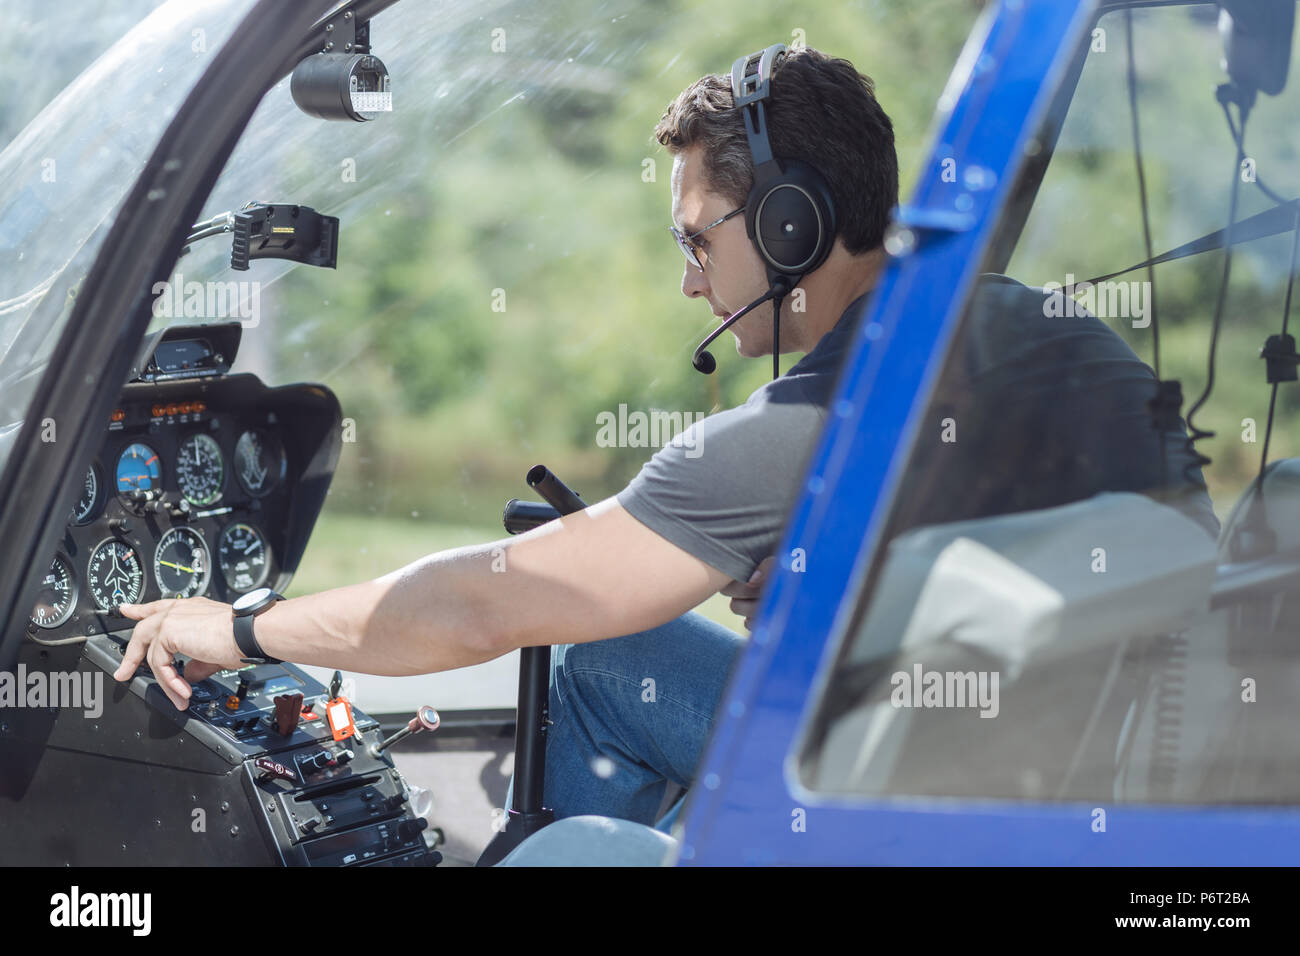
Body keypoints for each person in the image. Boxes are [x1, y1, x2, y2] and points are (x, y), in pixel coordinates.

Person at [112, 45, 1215, 865]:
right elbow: (1021, 554)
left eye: (700, 239)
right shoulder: (1057, 334)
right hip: (1047, 796)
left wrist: (240, 626)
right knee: (604, 660)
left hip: (910, 818)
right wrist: (835, 589)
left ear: (791, 224)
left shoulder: (804, 427)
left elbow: (484, 607)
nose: (691, 279)